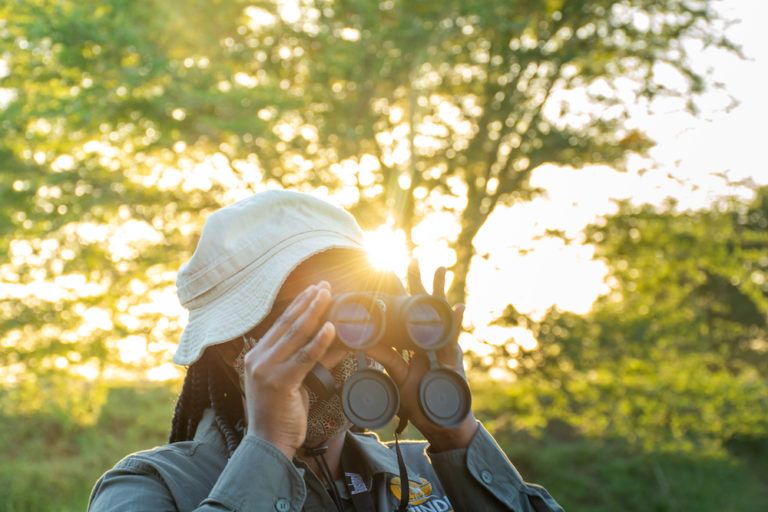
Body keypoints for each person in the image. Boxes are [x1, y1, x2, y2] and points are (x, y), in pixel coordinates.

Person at [88, 190, 564, 512]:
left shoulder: (430, 472)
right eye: (303, 319)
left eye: (359, 314)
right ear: (234, 347)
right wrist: (269, 446)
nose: (340, 344)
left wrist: (457, 439)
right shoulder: (152, 487)